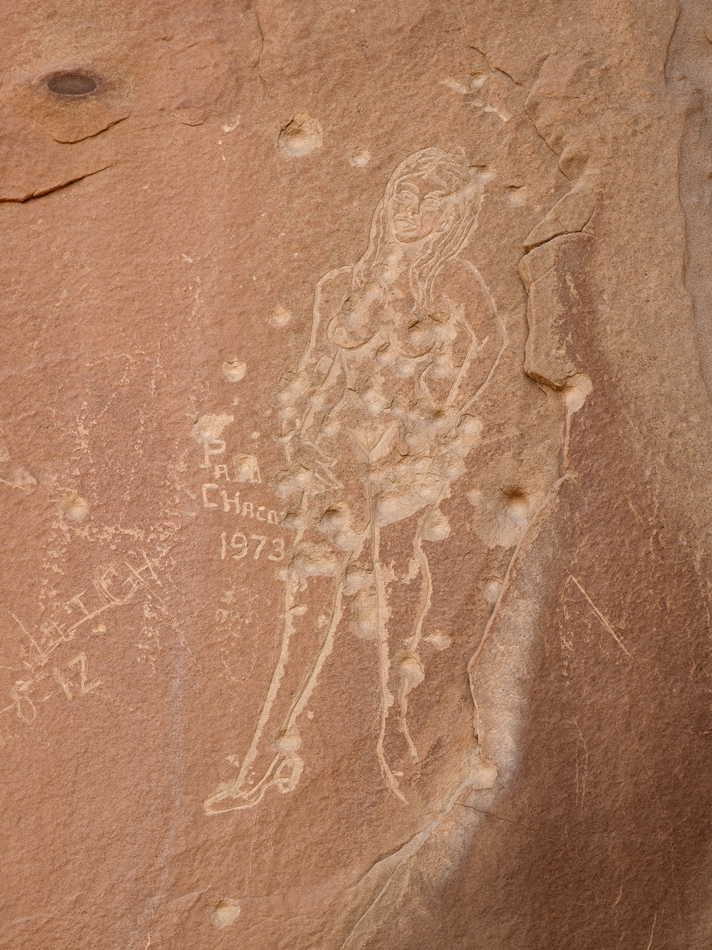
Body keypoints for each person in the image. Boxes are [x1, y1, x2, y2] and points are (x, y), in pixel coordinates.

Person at [205, 148, 505, 814]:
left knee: (368, 577)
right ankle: (344, 752)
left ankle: (360, 745)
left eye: (432, 202)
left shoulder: (456, 285)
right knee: (343, 574)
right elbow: (314, 376)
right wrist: (302, 441)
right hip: (342, 461)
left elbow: (488, 353)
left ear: (453, 217)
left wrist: (439, 421)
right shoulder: (340, 284)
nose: (413, 211)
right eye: (405, 193)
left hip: (404, 468)